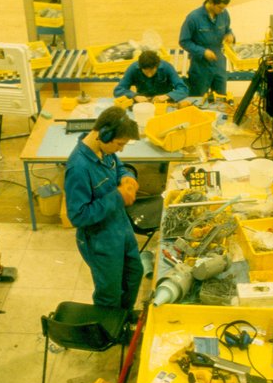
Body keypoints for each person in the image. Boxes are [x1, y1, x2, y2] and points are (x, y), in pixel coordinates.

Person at [64, 106, 143, 310]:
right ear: (104, 134)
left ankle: (122, 319)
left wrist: (127, 177)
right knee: (110, 292)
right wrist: (117, 196)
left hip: (121, 228)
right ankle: (108, 331)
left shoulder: (104, 151)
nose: (121, 149)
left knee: (134, 275)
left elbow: (120, 167)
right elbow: (78, 216)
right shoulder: (78, 167)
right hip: (100, 240)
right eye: (120, 144)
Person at [179, 0, 235, 97]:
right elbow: (184, 41)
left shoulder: (224, 14)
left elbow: (228, 29)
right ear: (211, 1)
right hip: (200, 66)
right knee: (198, 99)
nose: (222, 10)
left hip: (219, 63)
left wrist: (230, 35)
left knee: (221, 98)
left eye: (224, 8)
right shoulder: (193, 18)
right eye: (220, 7)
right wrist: (202, 52)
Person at [113, 50, 189, 104]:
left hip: (164, 103)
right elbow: (118, 90)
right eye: (146, 71)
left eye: (152, 71)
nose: (149, 75)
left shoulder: (167, 67)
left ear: (157, 65)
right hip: (142, 103)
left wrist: (167, 96)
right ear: (140, 67)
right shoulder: (133, 68)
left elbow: (183, 89)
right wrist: (134, 96)